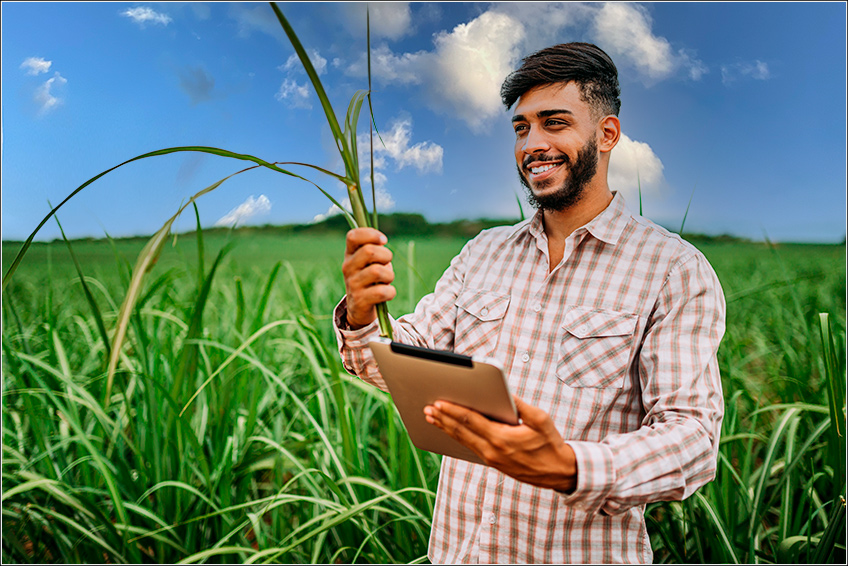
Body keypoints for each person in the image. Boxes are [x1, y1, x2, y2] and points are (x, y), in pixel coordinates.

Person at [333, 42, 726, 564]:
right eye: (522, 128)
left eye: (554, 122)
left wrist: (570, 466)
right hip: (459, 552)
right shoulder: (483, 252)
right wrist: (362, 313)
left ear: (607, 134)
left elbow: (692, 438)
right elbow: (400, 360)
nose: (533, 144)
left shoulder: (673, 269)